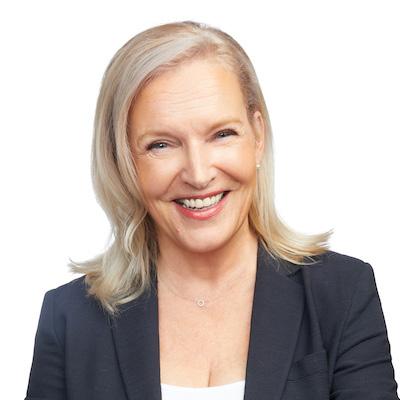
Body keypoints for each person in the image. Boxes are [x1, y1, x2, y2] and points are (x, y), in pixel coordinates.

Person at [25, 20, 399, 400]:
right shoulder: (69, 317)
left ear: (257, 136)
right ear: (122, 160)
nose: (199, 174)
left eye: (222, 135)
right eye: (161, 144)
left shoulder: (342, 292)